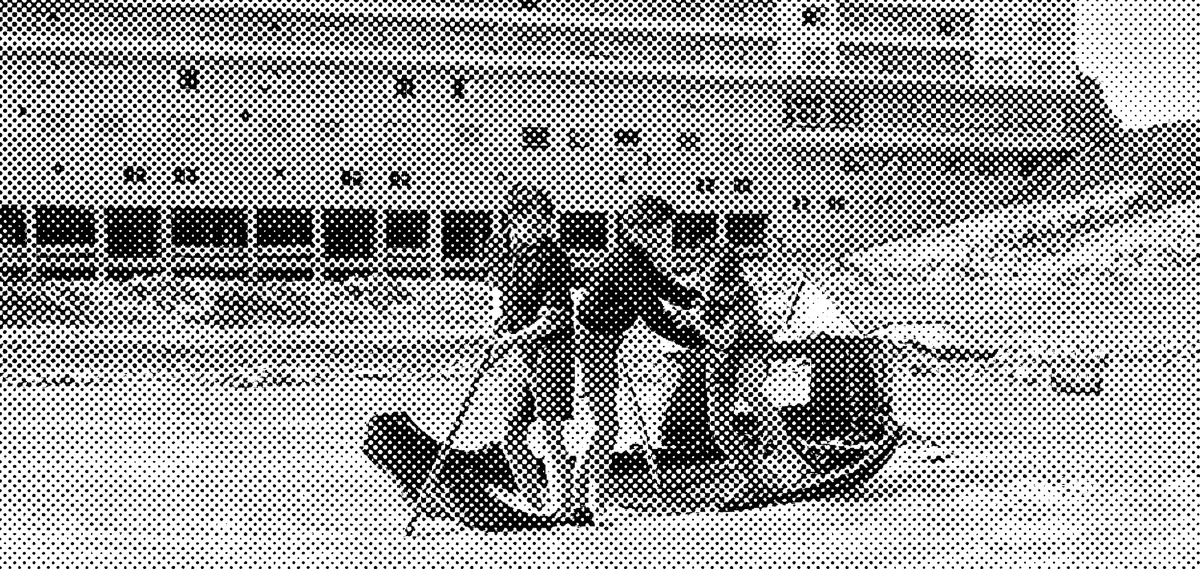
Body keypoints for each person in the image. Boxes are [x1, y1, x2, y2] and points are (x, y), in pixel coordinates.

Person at [570, 194, 710, 525]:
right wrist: (702, 339)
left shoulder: (635, 257)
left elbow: (665, 288)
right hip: (594, 343)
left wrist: (695, 297)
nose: (668, 239)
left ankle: (587, 500)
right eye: (663, 231)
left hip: (604, 342)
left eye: (669, 230)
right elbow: (656, 318)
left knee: (606, 425)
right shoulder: (626, 262)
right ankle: (582, 501)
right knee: (606, 426)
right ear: (641, 229)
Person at [481, 184, 576, 518]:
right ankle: (538, 506)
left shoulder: (551, 257)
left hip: (553, 352)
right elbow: (501, 301)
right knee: (511, 435)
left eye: (541, 216)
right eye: (527, 216)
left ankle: (565, 507)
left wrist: (510, 339)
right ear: (513, 218)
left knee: (551, 433)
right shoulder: (504, 253)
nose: (535, 224)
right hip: (523, 354)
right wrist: (496, 332)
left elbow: (555, 319)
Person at [690, 243, 808, 505]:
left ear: (724, 270)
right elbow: (714, 339)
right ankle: (751, 478)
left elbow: (726, 337)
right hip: (720, 361)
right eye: (703, 268)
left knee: (753, 395)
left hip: (748, 352)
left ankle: (793, 459)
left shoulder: (741, 294)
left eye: (709, 268)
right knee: (718, 424)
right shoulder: (704, 295)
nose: (703, 273)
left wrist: (694, 324)